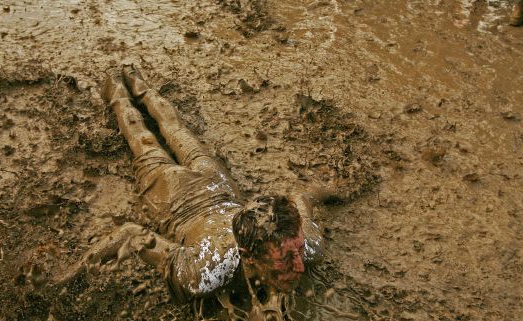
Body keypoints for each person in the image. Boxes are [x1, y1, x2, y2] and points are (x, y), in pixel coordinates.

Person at [57, 65, 337, 307]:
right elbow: (132, 234)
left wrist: (336, 190)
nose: (300, 266)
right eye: (285, 260)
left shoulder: (308, 245)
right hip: (175, 198)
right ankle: (115, 88)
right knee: (142, 139)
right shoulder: (207, 271)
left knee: (176, 129)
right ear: (247, 257)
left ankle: (136, 79)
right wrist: (70, 276)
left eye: (298, 250)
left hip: (219, 186)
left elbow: (303, 197)